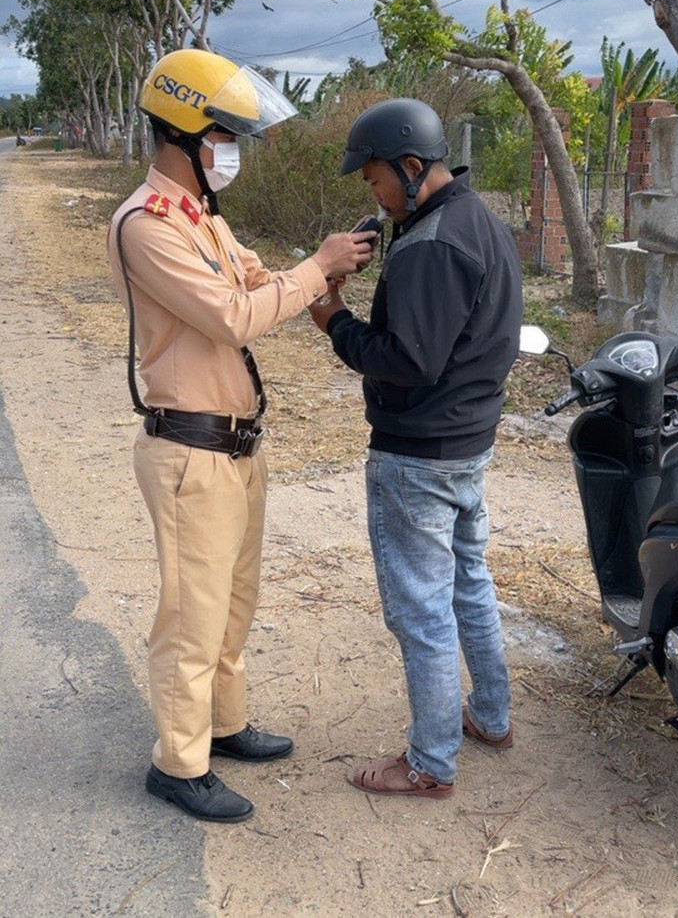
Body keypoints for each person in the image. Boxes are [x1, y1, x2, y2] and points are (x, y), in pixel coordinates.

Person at [107, 49, 375, 823]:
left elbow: (257, 286)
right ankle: (179, 762)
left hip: (234, 446)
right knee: (191, 615)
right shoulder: (147, 228)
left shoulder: (203, 220)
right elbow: (232, 317)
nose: (235, 150)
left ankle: (221, 725)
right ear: (186, 131)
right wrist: (312, 269)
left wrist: (324, 270)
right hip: (189, 450)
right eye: (226, 133)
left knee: (232, 602)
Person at [309, 98, 524, 798]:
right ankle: (489, 715)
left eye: (374, 182)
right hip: (468, 444)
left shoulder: (431, 245)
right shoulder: (472, 220)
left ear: (410, 167)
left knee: (421, 609)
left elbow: (408, 359)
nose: (371, 196)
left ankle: (431, 761)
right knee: (467, 583)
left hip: (419, 456)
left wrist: (335, 318)